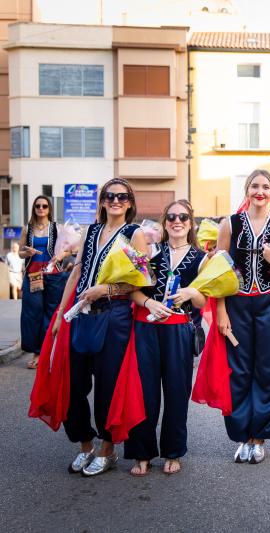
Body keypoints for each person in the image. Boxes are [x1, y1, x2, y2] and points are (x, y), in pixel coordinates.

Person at [50, 178, 148, 476]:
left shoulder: (135, 234)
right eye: (109, 196)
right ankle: (85, 445)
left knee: (107, 386)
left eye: (121, 196)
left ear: (130, 202)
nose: (115, 201)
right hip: (81, 314)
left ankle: (108, 449)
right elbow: (77, 272)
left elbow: (141, 279)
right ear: (102, 201)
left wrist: (103, 290)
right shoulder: (91, 231)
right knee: (74, 385)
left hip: (114, 314)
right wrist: (60, 313)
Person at [216, 169, 270, 464]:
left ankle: (258, 437)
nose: (259, 192)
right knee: (238, 368)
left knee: (268, 370)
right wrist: (221, 310)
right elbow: (218, 272)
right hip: (236, 303)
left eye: (265, 187)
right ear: (247, 191)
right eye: (254, 187)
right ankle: (241, 435)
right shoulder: (230, 224)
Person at [125, 200, 206, 476]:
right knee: (144, 392)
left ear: (190, 222)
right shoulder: (150, 254)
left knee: (176, 392)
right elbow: (133, 291)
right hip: (147, 328)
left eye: (183, 216)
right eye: (171, 217)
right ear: (165, 222)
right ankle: (142, 452)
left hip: (178, 330)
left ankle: (173, 451)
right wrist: (149, 304)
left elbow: (204, 299)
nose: (177, 221)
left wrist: (190, 293)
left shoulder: (201, 258)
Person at [18, 196, 69, 369]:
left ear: (49, 209)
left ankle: (48, 352)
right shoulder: (27, 228)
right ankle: (36, 352)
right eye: (38, 206)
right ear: (34, 208)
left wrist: (62, 255)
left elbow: (72, 247)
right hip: (33, 274)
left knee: (51, 312)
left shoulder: (57, 228)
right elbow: (20, 253)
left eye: (44, 206)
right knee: (32, 313)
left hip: (53, 273)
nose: (41, 208)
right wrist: (28, 252)